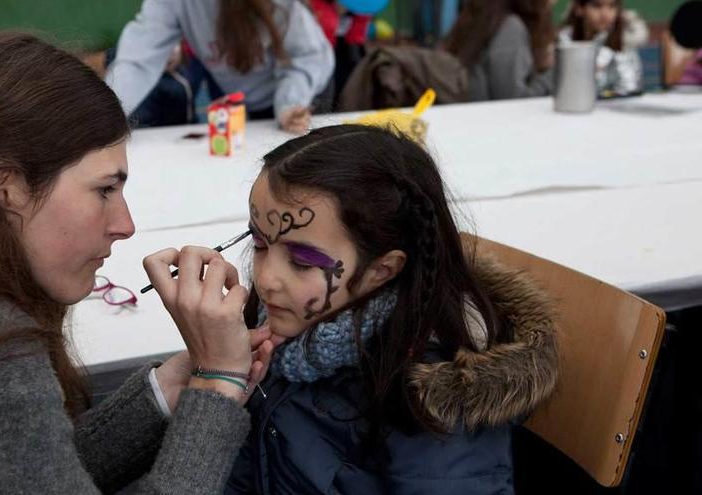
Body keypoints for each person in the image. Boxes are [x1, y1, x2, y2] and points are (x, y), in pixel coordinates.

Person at [0, 32, 279, 494]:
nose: (126, 224)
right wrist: (217, 389)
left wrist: (170, 389)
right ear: (8, 187)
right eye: (104, 189)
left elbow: (27, 471)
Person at [224, 124, 559, 493]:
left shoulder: (430, 403)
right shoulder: (280, 332)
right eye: (258, 245)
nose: (267, 278)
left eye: (302, 262)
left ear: (381, 270)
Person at [106, 0, 335, 134]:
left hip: (302, 92)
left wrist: (289, 104)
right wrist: (106, 115)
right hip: (238, 96)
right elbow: (138, 57)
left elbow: (307, 57)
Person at [444, 0, 556, 101]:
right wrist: (555, 74)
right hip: (487, 120)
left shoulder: (484, 18)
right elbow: (512, 101)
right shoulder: (511, 28)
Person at [559, 0, 649, 95]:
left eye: (612, 6)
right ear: (579, 8)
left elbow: (631, 89)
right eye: (596, 6)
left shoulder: (624, 40)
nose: (605, 14)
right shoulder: (564, 41)